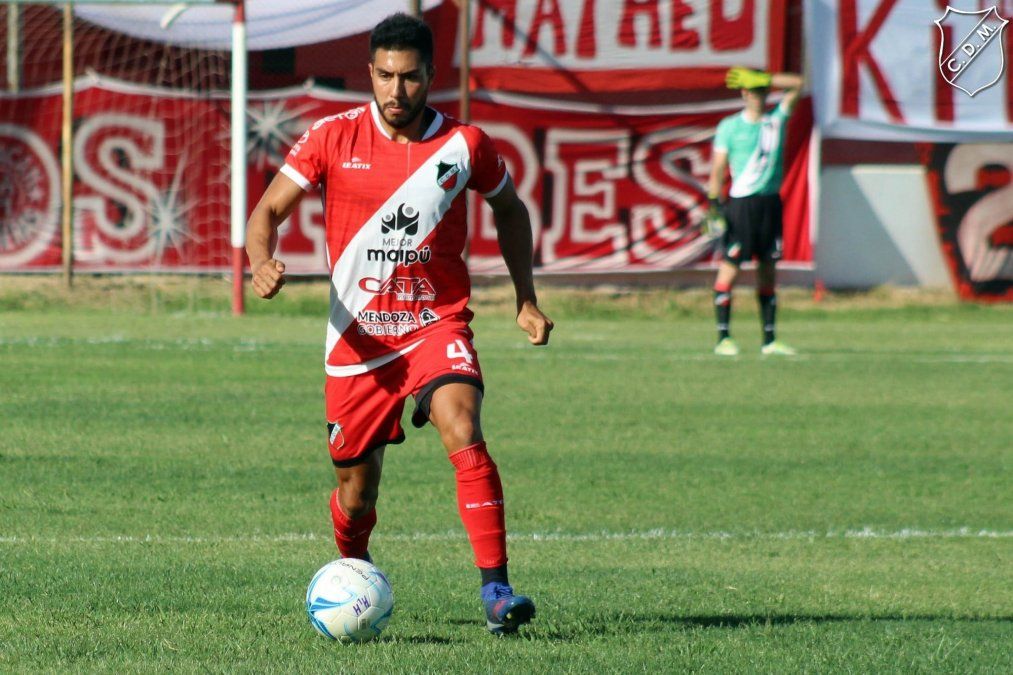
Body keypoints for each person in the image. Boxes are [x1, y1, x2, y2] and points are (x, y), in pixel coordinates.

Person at [245, 13, 552, 635]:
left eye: (410, 77)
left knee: (463, 425)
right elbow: (268, 209)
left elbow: (511, 210)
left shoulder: (465, 144)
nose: (396, 90)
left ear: (431, 77)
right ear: (370, 73)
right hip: (358, 337)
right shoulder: (332, 136)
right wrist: (260, 260)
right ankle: (355, 576)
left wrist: (525, 297)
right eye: (385, 76)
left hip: (434, 325)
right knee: (356, 493)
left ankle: (497, 592)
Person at [706, 67, 803, 356]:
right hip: (742, 205)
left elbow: (797, 84)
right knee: (731, 268)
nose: (760, 96)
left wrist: (765, 79)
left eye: (763, 91)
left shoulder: (775, 121)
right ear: (744, 94)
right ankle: (724, 338)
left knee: (768, 271)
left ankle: (769, 341)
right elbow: (718, 169)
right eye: (755, 91)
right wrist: (714, 206)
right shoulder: (729, 127)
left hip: (770, 204)